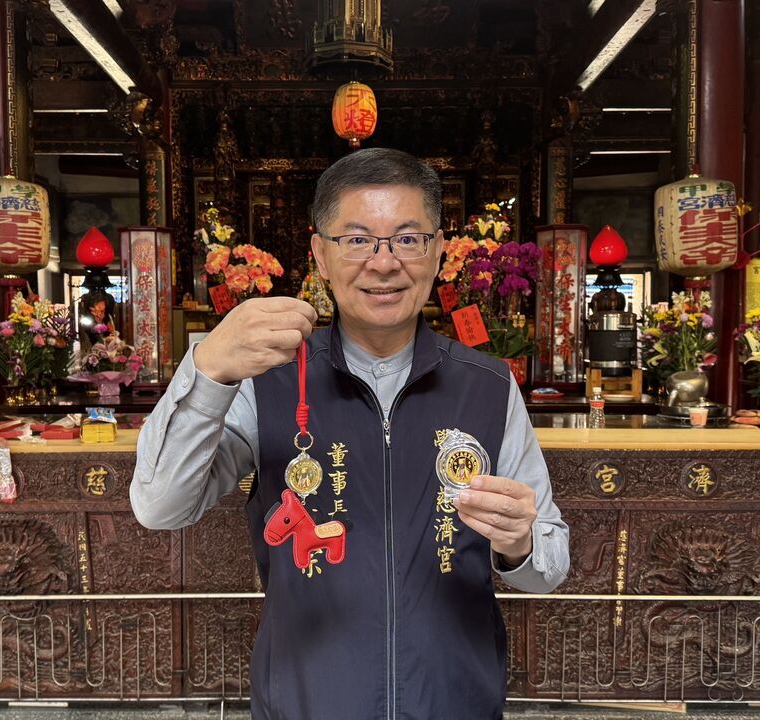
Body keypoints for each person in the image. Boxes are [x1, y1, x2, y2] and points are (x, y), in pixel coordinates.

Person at [132, 148, 569, 719]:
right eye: (357, 239)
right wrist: (208, 369)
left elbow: (549, 567)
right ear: (320, 253)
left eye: (408, 239)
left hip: (452, 700)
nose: (384, 263)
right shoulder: (266, 381)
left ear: (438, 250)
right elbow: (160, 507)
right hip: (308, 702)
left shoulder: (487, 384)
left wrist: (519, 543)